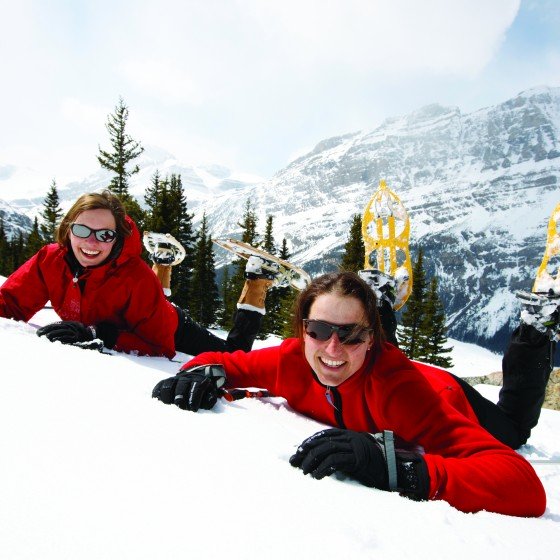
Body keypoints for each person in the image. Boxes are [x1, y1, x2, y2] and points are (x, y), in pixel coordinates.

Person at [152, 270, 549, 517]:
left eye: (351, 334)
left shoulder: (401, 396)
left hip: (442, 392)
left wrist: (396, 469)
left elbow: (522, 484)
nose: (331, 349)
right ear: (302, 329)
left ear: (372, 338)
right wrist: (204, 374)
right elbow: (224, 360)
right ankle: (379, 300)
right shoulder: (292, 359)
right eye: (319, 330)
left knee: (512, 430)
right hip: (392, 370)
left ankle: (534, 331)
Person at [0, 190, 284, 358]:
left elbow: (160, 346)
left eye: (105, 234)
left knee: (233, 355)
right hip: (145, 309)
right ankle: (163, 260)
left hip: (171, 327)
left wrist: (99, 335)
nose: (90, 242)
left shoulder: (135, 276)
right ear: (68, 228)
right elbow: (11, 304)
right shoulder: (50, 259)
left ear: (118, 239)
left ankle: (258, 279)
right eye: (82, 230)